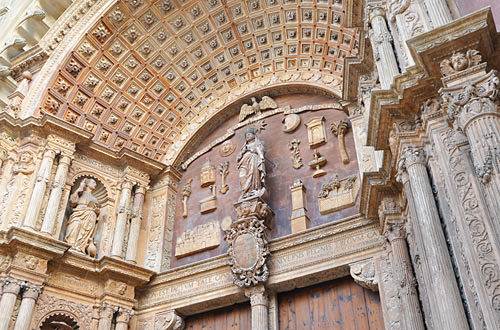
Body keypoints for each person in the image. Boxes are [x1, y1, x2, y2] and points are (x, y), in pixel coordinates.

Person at [64, 178, 100, 255]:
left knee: (85, 232)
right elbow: (72, 202)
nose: (95, 184)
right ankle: (71, 245)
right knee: (76, 224)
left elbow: (98, 211)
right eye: (93, 182)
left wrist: (96, 211)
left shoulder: (95, 199)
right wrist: (79, 189)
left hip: (90, 218)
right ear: (87, 184)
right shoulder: (81, 193)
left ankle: (80, 247)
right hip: (79, 213)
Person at [236, 128, 266, 200]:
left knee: (253, 175)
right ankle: (245, 192)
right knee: (242, 176)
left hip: (253, 161)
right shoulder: (244, 147)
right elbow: (238, 157)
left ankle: (253, 190)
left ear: (254, 135)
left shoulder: (257, 144)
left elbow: (261, 153)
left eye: (249, 134)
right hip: (244, 163)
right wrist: (243, 151)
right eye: (246, 135)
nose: (247, 136)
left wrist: (253, 151)